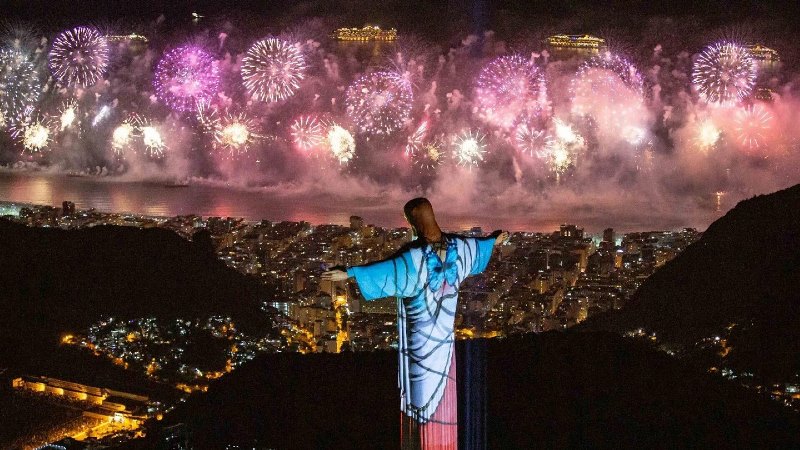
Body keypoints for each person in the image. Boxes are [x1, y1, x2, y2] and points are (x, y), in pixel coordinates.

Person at [322, 198, 508, 450]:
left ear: (413, 222)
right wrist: (496, 241)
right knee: (444, 398)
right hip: (445, 346)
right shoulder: (460, 247)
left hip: (419, 345)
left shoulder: (414, 258)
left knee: (419, 405)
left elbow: (384, 271)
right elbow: (481, 246)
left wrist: (350, 272)